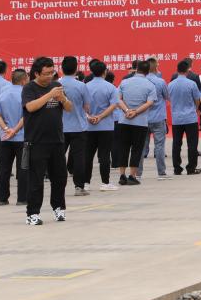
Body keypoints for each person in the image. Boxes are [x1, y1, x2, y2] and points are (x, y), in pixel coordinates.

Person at [23, 56, 73, 225]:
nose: (50, 76)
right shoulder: (29, 88)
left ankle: (59, 208)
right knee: (36, 180)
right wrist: (50, 95)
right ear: (37, 73)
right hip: (36, 141)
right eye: (46, 73)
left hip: (57, 140)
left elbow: (69, 108)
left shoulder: (57, 86)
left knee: (60, 177)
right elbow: (30, 107)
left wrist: (62, 99)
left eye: (52, 72)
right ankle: (32, 213)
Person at [114, 60, 157, 185]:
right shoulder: (150, 85)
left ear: (136, 69)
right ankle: (132, 176)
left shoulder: (124, 82)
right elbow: (149, 103)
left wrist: (127, 110)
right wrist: (136, 112)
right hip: (140, 122)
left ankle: (122, 175)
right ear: (148, 71)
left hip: (124, 120)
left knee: (123, 147)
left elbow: (118, 99)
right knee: (137, 149)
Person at [0, 69, 28, 206]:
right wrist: (15, 130)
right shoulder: (25, 95)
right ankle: (22, 198)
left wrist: (6, 129)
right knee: (23, 168)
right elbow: (26, 116)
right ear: (23, 80)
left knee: (4, 169)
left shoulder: (2, 95)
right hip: (22, 137)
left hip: (5, 138)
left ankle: (2, 198)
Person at [85, 60, 120, 191]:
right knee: (104, 155)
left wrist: (89, 116)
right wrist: (100, 117)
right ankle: (105, 183)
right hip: (105, 126)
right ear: (105, 72)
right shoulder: (110, 87)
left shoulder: (85, 86)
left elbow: (81, 105)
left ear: (92, 72)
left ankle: (85, 183)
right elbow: (113, 105)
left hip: (89, 126)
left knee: (88, 155)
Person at [59, 56, 91, 196]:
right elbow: (87, 107)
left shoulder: (56, 85)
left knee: (58, 157)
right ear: (76, 68)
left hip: (60, 127)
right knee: (79, 158)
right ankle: (79, 187)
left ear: (61, 68)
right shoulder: (81, 86)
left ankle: (58, 185)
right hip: (79, 127)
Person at [168, 59, 201, 176]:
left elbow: (169, 99)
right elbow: (197, 99)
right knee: (192, 144)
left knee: (176, 144)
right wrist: (195, 109)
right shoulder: (191, 84)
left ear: (177, 71)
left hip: (176, 118)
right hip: (190, 117)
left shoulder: (170, 84)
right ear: (187, 70)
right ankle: (191, 168)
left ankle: (177, 168)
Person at [138, 57, 170, 180]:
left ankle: (138, 173)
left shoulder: (140, 82)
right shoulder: (160, 82)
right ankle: (161, 173)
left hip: (142, 118)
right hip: (158, 118)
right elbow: (167, 97)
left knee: (141, 147)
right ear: (156, 67)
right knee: (160, 146)